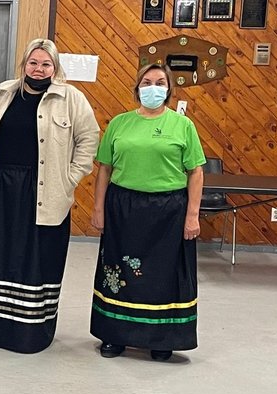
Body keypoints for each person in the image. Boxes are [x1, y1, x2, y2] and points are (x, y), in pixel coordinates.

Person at [0, 38, 100, 353]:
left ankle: (30, 332)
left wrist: (70, 177)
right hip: (3, 188)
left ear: (55, 68)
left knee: (36, 259)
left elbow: (89, 137)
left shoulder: (70, 97)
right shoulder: (2, 93)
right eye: (33, 62)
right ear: (24, 64)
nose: (39, 69)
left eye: (46, 64)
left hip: (45, 190)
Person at [90, 63, 204, 361]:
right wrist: (98, 208)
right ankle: (115, 336)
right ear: (137, 87)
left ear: (168, 89)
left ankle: (161, 338)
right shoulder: (119, 123)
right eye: (146, 82)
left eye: (160, 82)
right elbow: (104, 169)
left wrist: (192, 215)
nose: (153, 87)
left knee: (163, 278)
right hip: (123, 209)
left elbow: (195, 172)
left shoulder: (183, 126)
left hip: (168, 212)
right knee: (118, 272)